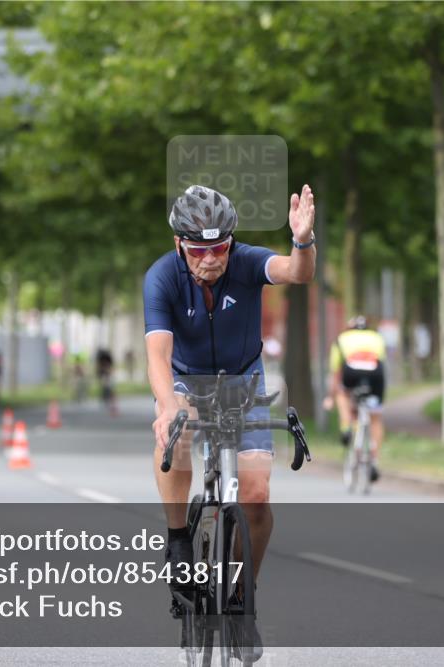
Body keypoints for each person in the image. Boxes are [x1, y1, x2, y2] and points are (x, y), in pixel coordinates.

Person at [145, 183, 316, 594]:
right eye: (198, 250)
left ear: (231, 242)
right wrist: (168, 407)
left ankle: (241, 593)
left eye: (219, 248)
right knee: (176, 431)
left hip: (243, 379)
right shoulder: (162, 277)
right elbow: (158, 356)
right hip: (187, 377)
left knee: (255, 497)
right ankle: (178, 538)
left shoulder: (246, 262)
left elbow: (296, 272)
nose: (210, 259)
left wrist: (302, 241)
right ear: (179, 244)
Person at [323, 316, 387, 482]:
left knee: (343, 394)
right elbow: (381, 361)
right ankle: (374, 459)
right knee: (375, 417)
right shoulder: (377, 337)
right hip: (375, 375)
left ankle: (346, 427)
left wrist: (330, 397)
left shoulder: (342, 339)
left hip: (351, 372)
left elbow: (335, 373)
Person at [96, 348, 118, 416]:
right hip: (104, 375)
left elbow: (110, 368)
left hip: (108, 376)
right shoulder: (101, 360)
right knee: (105, 388)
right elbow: (99, 369)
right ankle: (105, 399)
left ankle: (110, 402)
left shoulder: (107, 359)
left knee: (110, 389)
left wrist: (108, 372)